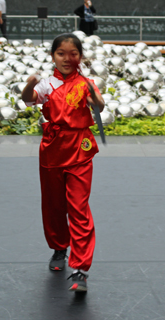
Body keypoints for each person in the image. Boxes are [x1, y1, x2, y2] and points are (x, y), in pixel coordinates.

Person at [22, 33, 105, 292]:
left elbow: (99, 107)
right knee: (54, 204)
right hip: (52, 149)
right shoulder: (47, 84)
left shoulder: (87, 83)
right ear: (53, 56)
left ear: (80, 56)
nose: (68, 59)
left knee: (78, 206)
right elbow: (29, 99)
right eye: (61, 53)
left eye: (73, 53)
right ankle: (59, 248)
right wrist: (28, 85)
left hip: (79, 150)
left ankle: (80, 268)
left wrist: (95, 100)